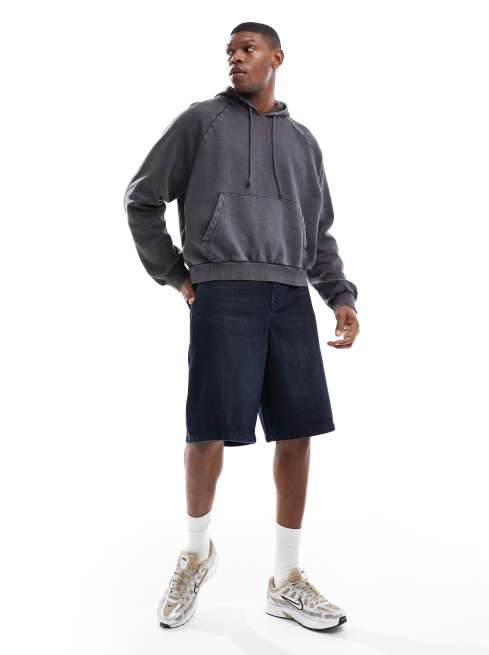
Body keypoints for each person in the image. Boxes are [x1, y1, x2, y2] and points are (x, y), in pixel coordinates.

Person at [124, 21, 360, 631]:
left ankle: (286, 579)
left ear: (276, 57)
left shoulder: (304, 142)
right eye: (229, 51)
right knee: (207, 430)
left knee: (298, 431)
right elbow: (142, 199)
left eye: (247, 49)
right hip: (223, 291)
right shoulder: (200, 121)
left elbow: (318, 234)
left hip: (290, 294)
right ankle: (194, 555)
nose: (235, 58)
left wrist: (339, 297)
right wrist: (177, 275)